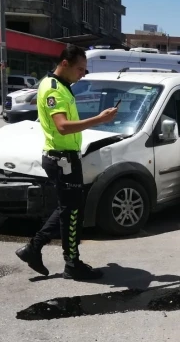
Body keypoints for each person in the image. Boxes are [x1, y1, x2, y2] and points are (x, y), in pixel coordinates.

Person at [16, 45, 118, 280]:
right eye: (80, 69)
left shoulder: (61, 86)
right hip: (61, 159)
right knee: (71, 212)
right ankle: (70, 263)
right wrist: (98, 120)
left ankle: (35, 249)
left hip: (65, 157)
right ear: (64, 64)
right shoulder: (54, 90)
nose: (83, 74)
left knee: (69, 209)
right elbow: (62, 126)